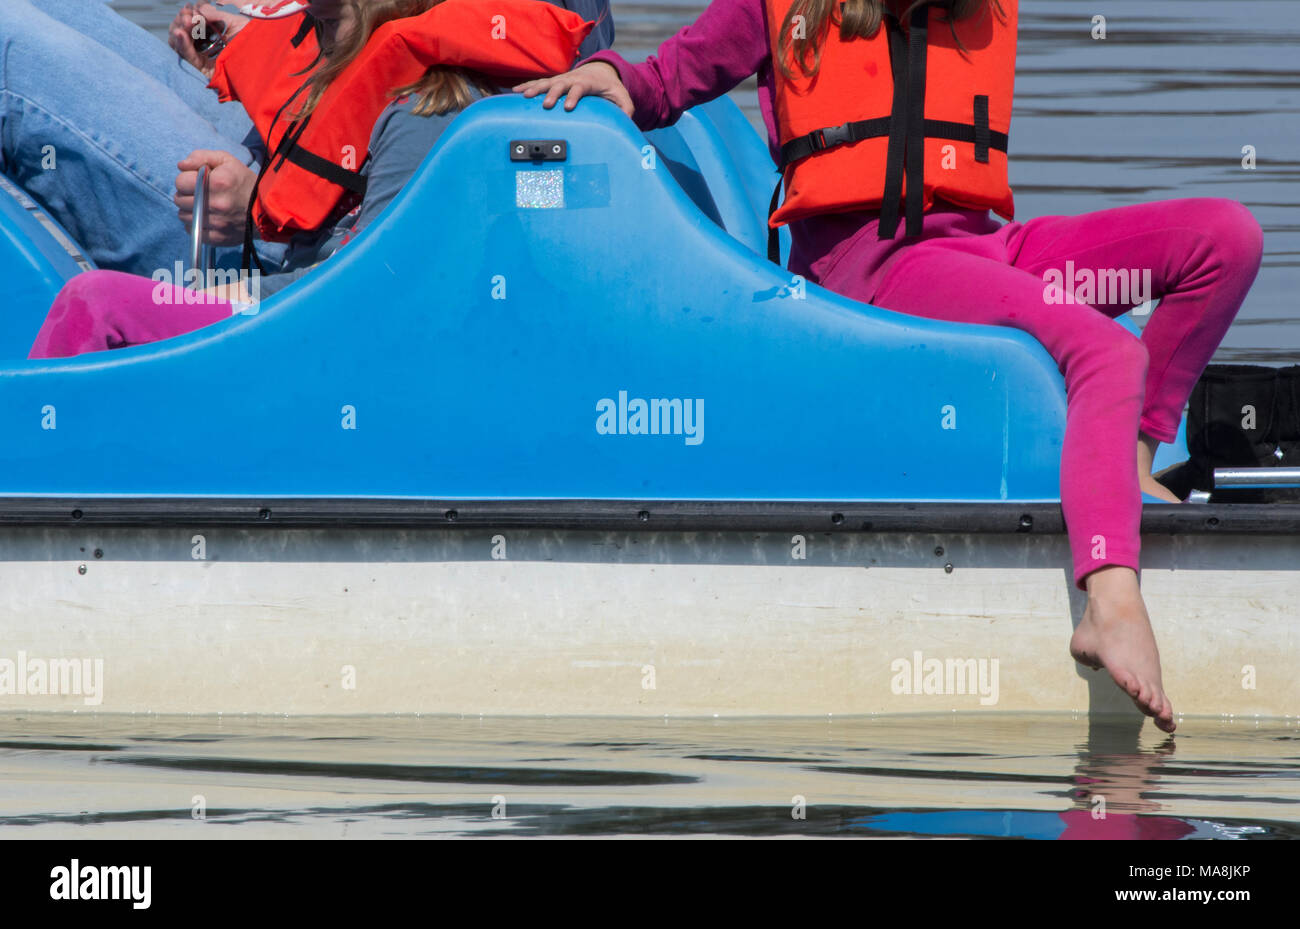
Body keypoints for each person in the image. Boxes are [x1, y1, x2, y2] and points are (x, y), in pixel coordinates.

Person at [516, 0, 1266, 732]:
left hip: (981, 244)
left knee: (1223, 240)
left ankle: (1129, 464)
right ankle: (1110, 601)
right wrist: (609, 75)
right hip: (873, 267)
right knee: (1106, 349)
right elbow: (663, 80)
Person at [27, 0, 596, 357]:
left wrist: (208, 290)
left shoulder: (423, 108)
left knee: (92, 303)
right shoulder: (342, 43)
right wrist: (223, 44)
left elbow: (369, 290)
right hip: (291, 258)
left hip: (300, 304)